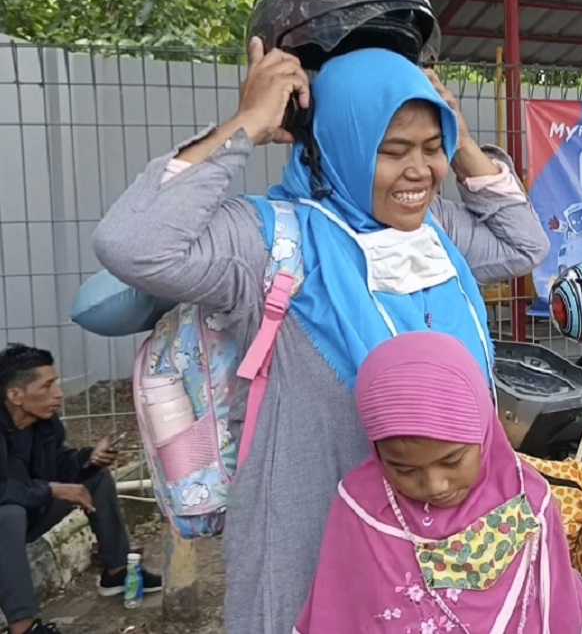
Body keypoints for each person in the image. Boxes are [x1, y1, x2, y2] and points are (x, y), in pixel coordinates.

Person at [92, 44, 547, 632]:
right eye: (393, 151)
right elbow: (133, 244)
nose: (419, 172)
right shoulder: (271, 242)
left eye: (429, 151)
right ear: (338, 143)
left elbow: (523, 246)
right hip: (310, 552)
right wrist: (246, 125)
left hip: (438, 554)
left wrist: (453, 136)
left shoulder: (436, 232)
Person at [294, 331, 582, 633]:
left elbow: (555, 599)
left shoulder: (526, 501)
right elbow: (338, 609)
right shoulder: (361, 510)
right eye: (404, 470)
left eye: (452, 461)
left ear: (484, 433)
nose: (435, 485)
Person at [0, 344, 161, 634]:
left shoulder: (43, 424)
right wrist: (52, 490)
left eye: (56, 383)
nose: (58, 393)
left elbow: (58, 466)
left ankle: (117, 573)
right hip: (6, 522)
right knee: (8, 513)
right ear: (15, 396)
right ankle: (24, 627)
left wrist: (89, 460)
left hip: (28, 512)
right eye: (47, 386)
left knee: (94, 478)